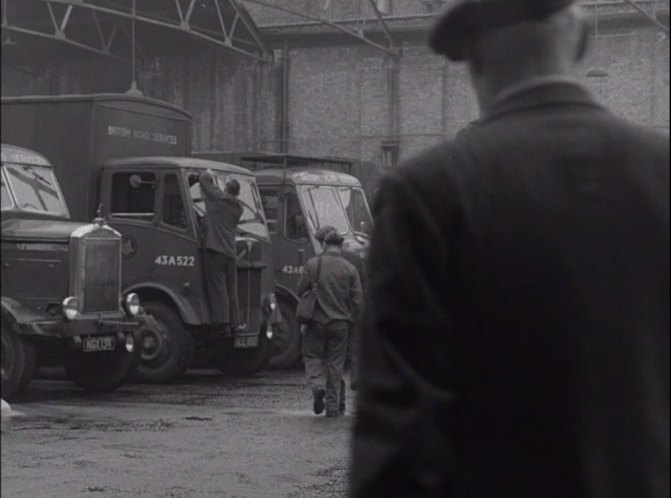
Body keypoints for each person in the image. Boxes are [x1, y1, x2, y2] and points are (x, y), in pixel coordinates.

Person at [350, 1, 669, 497]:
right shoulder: (661, 174)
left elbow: (399, 449)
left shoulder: (426, 193)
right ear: (585, 35)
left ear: (471, 58)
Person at [297, 230, 363, 418]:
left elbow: (300, 289)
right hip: (341, 324)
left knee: (311, 356)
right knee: (335, 365)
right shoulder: (350, 268)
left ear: (325, 244)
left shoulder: (313, 264)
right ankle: (333, 408)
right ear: (341, 246)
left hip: (316, 322)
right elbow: (358, 300)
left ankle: (317, 386)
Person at [314, 225, 366, 411]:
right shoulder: (354, 259)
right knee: (350, 355)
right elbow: (363, 287)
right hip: (352, 315)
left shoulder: (318, 261)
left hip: (330, 316)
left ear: (324, 242)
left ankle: (336, 403)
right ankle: (353, 390)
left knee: (332, 361)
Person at [199, 171, 245, 334]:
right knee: (232, 290)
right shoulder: (238, 208)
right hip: (230, 251)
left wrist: (209, 174)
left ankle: (223, 323)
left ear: (226, 189)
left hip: (214, 249)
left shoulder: (218, 199)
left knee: (218, 288)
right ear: (237, 193)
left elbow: (204, 181)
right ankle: (235, 323)